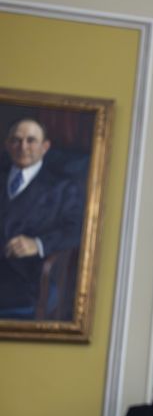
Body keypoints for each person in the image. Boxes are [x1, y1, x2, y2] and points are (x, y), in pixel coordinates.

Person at [0, 118, 84, 319]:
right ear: (7, 145)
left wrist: (38, 244)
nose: (23, 147)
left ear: (45, 147)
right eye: (16, 140)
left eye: (31, 141)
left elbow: (77, 229)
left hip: (27, 277)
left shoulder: (62, 188)